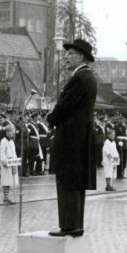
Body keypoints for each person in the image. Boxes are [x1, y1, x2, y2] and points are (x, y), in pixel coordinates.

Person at [45, 38, 98, 237]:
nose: (66, 57)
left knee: (67, 182)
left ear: (81, 57)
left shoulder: (79, 78)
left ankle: (69, 226)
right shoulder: (89, 77)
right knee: (76, 184)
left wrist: (51, 118)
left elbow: (65, 106)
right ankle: (76, 224)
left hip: (71, 140)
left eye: (70, 54)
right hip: (80, 139)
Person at [0, 125, 18, 204]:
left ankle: (7, 197)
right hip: (7, 163)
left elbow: (14, 152)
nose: (13, 133)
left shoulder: (12, 141)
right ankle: (6, 197)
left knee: (10, 181)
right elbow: (2, 153)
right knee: (6, 180)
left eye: (13, 131)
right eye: (11, 131)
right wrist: (4, 162)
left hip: (12, 162)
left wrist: (16, 163)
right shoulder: (3, 141)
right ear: (7, 132)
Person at [102, 127, 119, 191]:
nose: (113, 136)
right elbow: (106, 151)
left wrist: (117, 158)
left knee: (113, 173)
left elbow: (115, 151)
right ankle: (108, 185)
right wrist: (111, 158)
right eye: (112, 135)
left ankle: (111, 185)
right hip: (108, 160)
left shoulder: (113, 142)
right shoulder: (106, 142)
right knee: (108, 173)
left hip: (113, 159)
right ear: (108, 135)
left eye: (114, 135)